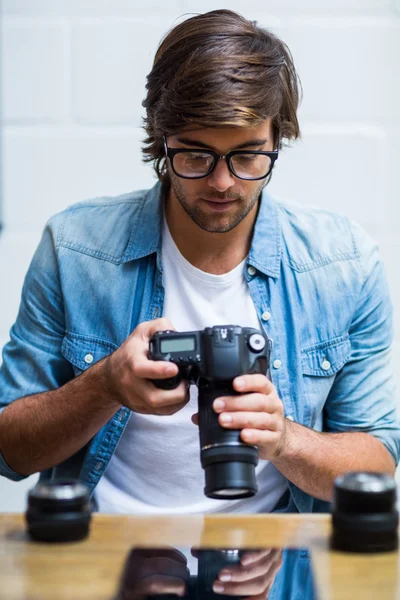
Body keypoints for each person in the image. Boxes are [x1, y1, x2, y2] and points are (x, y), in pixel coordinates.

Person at [0, 9, 398, 516]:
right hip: (102, 562)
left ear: (280, 138)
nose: (222, 183)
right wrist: (104, 385)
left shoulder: (342, 263)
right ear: (161, 140)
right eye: (196, 155)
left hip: (274, 564)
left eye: (249, 156)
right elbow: (9, 449)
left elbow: (379, 463)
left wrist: (284, 440)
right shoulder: (75, 249)